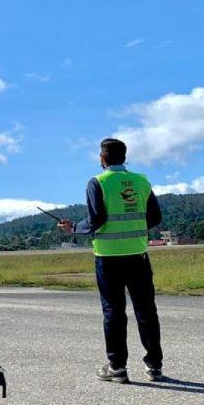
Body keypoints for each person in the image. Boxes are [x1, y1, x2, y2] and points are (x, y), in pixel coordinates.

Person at [57, 138, 165, 383]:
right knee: (146, 310)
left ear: (102, 158)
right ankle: (154, 366)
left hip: (108, 258)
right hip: (137, 255)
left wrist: (73, 227)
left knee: (114, 312)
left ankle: (117, 367)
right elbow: (155, 217)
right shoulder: (141, 181)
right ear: (124, 157)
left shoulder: (98, 183)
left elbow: (96, 220)